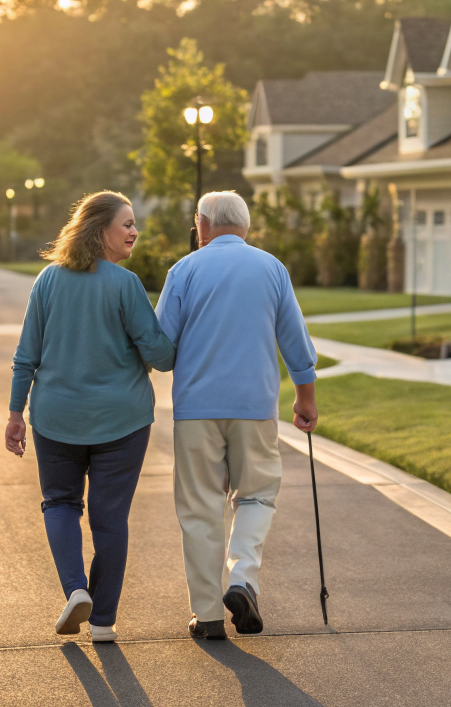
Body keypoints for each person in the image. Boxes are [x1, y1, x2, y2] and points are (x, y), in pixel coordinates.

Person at [5, 191, 175, 643]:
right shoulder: (125, 284)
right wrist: (171, 336)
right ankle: (103, 622)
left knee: (60, 502)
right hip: (122, 420)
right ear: (101, 231)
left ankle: (76, 589)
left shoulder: (47, 280)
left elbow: (26, 357)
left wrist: (14, 413)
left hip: (56, 417)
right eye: (127, 223)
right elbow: (159, 355)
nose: (134, 231)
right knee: (110, 519)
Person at [155, 190, 318, 640]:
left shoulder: (184, 270)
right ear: (245, 227)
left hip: (196, 411)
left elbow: (162, 349)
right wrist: (305, 398)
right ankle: (242, 578)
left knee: (200, 508)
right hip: (255, 407)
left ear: (202, 226)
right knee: (258, 495)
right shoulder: (271, 268)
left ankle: (207, 615)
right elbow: (297, 343)